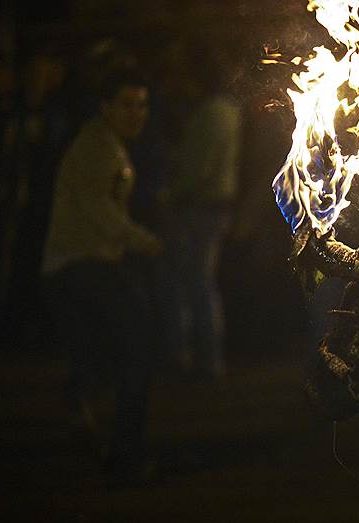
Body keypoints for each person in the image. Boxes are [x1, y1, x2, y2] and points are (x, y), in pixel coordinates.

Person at [41, 67, 162, 486]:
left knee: (102, 355)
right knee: (136, 352)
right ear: (105, 107)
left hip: (78, 267)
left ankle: (85, 418)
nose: (137, 114)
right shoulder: (100, 149)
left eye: (142, 105)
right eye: (127, 104)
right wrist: (146, 241)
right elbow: (100, 213)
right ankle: (124, 456)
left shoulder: (105, 144)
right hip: (83, 266)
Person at [159, 44, 241, 379]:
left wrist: (172, 194)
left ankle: (191, 357)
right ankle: (204, 358)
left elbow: (200, 169)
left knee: (189, 282)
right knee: (200, 282)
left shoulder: (211, 112)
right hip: (215, 206)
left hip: (198, 207)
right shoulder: (230, 110)